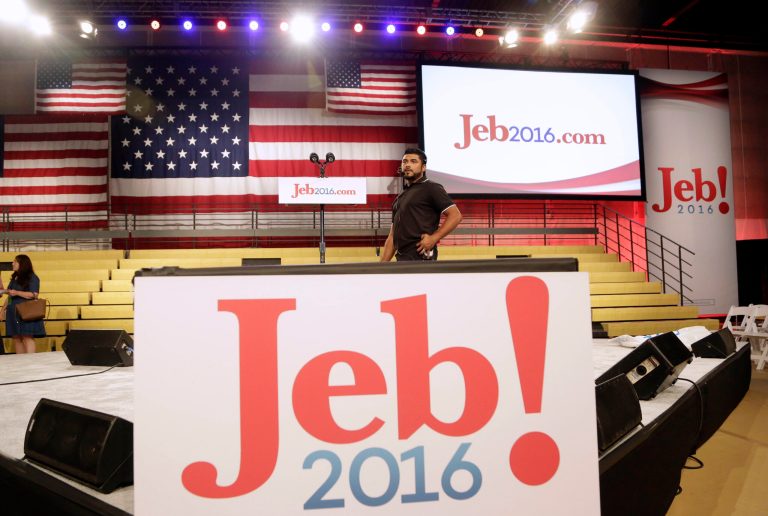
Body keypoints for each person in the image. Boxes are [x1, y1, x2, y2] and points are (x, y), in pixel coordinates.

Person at [380, 148, 462, 261]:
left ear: (423, 167)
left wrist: (434, 238)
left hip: (421, 258)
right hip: (402, 259)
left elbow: (455, 215)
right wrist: (381, 267)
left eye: (413, 161)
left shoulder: (431, 188)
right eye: (405, 161)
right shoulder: (400, 196)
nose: (408, 165)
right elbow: (392, 236)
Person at [1, 255, 45, 354]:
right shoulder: (14, 278)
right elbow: (10, 297)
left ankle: (30, 362)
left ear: (22, 264)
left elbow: (34, 294)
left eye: (15, 262)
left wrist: (17, 293)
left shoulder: (32, 277)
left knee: (27, 337)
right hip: (13, 312)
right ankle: (20, 364)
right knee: (16, 337)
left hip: (26, 312)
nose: (12, 263)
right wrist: (3, 310)